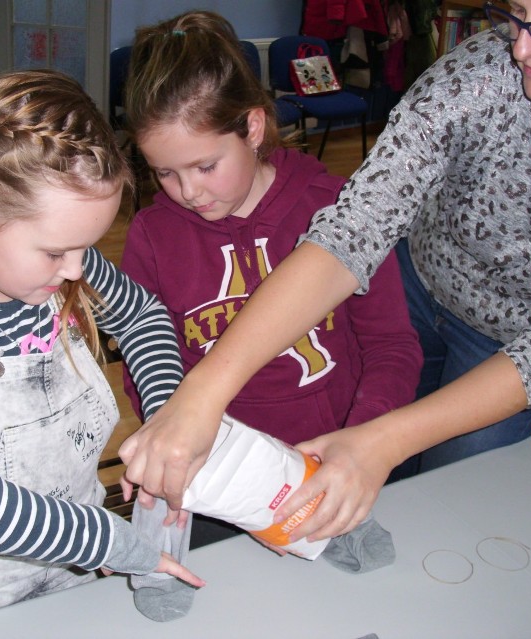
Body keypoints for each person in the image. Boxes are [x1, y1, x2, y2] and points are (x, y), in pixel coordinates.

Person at [119, 0, 531, 546]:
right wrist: (196, 397)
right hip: (419, 280)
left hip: (514, 345)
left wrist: (374, 440)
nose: (521, 46)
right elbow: (354, 231)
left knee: (453, 505)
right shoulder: (479, 74)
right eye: (516, 13)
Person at [0, 69, 202, 633]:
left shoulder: (63, 258)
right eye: (55, 253)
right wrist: (106, 539)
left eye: (87, 248)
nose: (76, 270)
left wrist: (168, 420)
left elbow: (144, 317)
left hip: (71, 567)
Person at [119, 9, 421, 547]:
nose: (187, 191)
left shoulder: (336, 208)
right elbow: (146, 360)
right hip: (216, 484)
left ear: (253, 127)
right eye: (164, 172)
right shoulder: (151, 234)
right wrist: (169, 437)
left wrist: (364, 436)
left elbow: (392, 346)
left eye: (205, 165)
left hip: (331, 467)